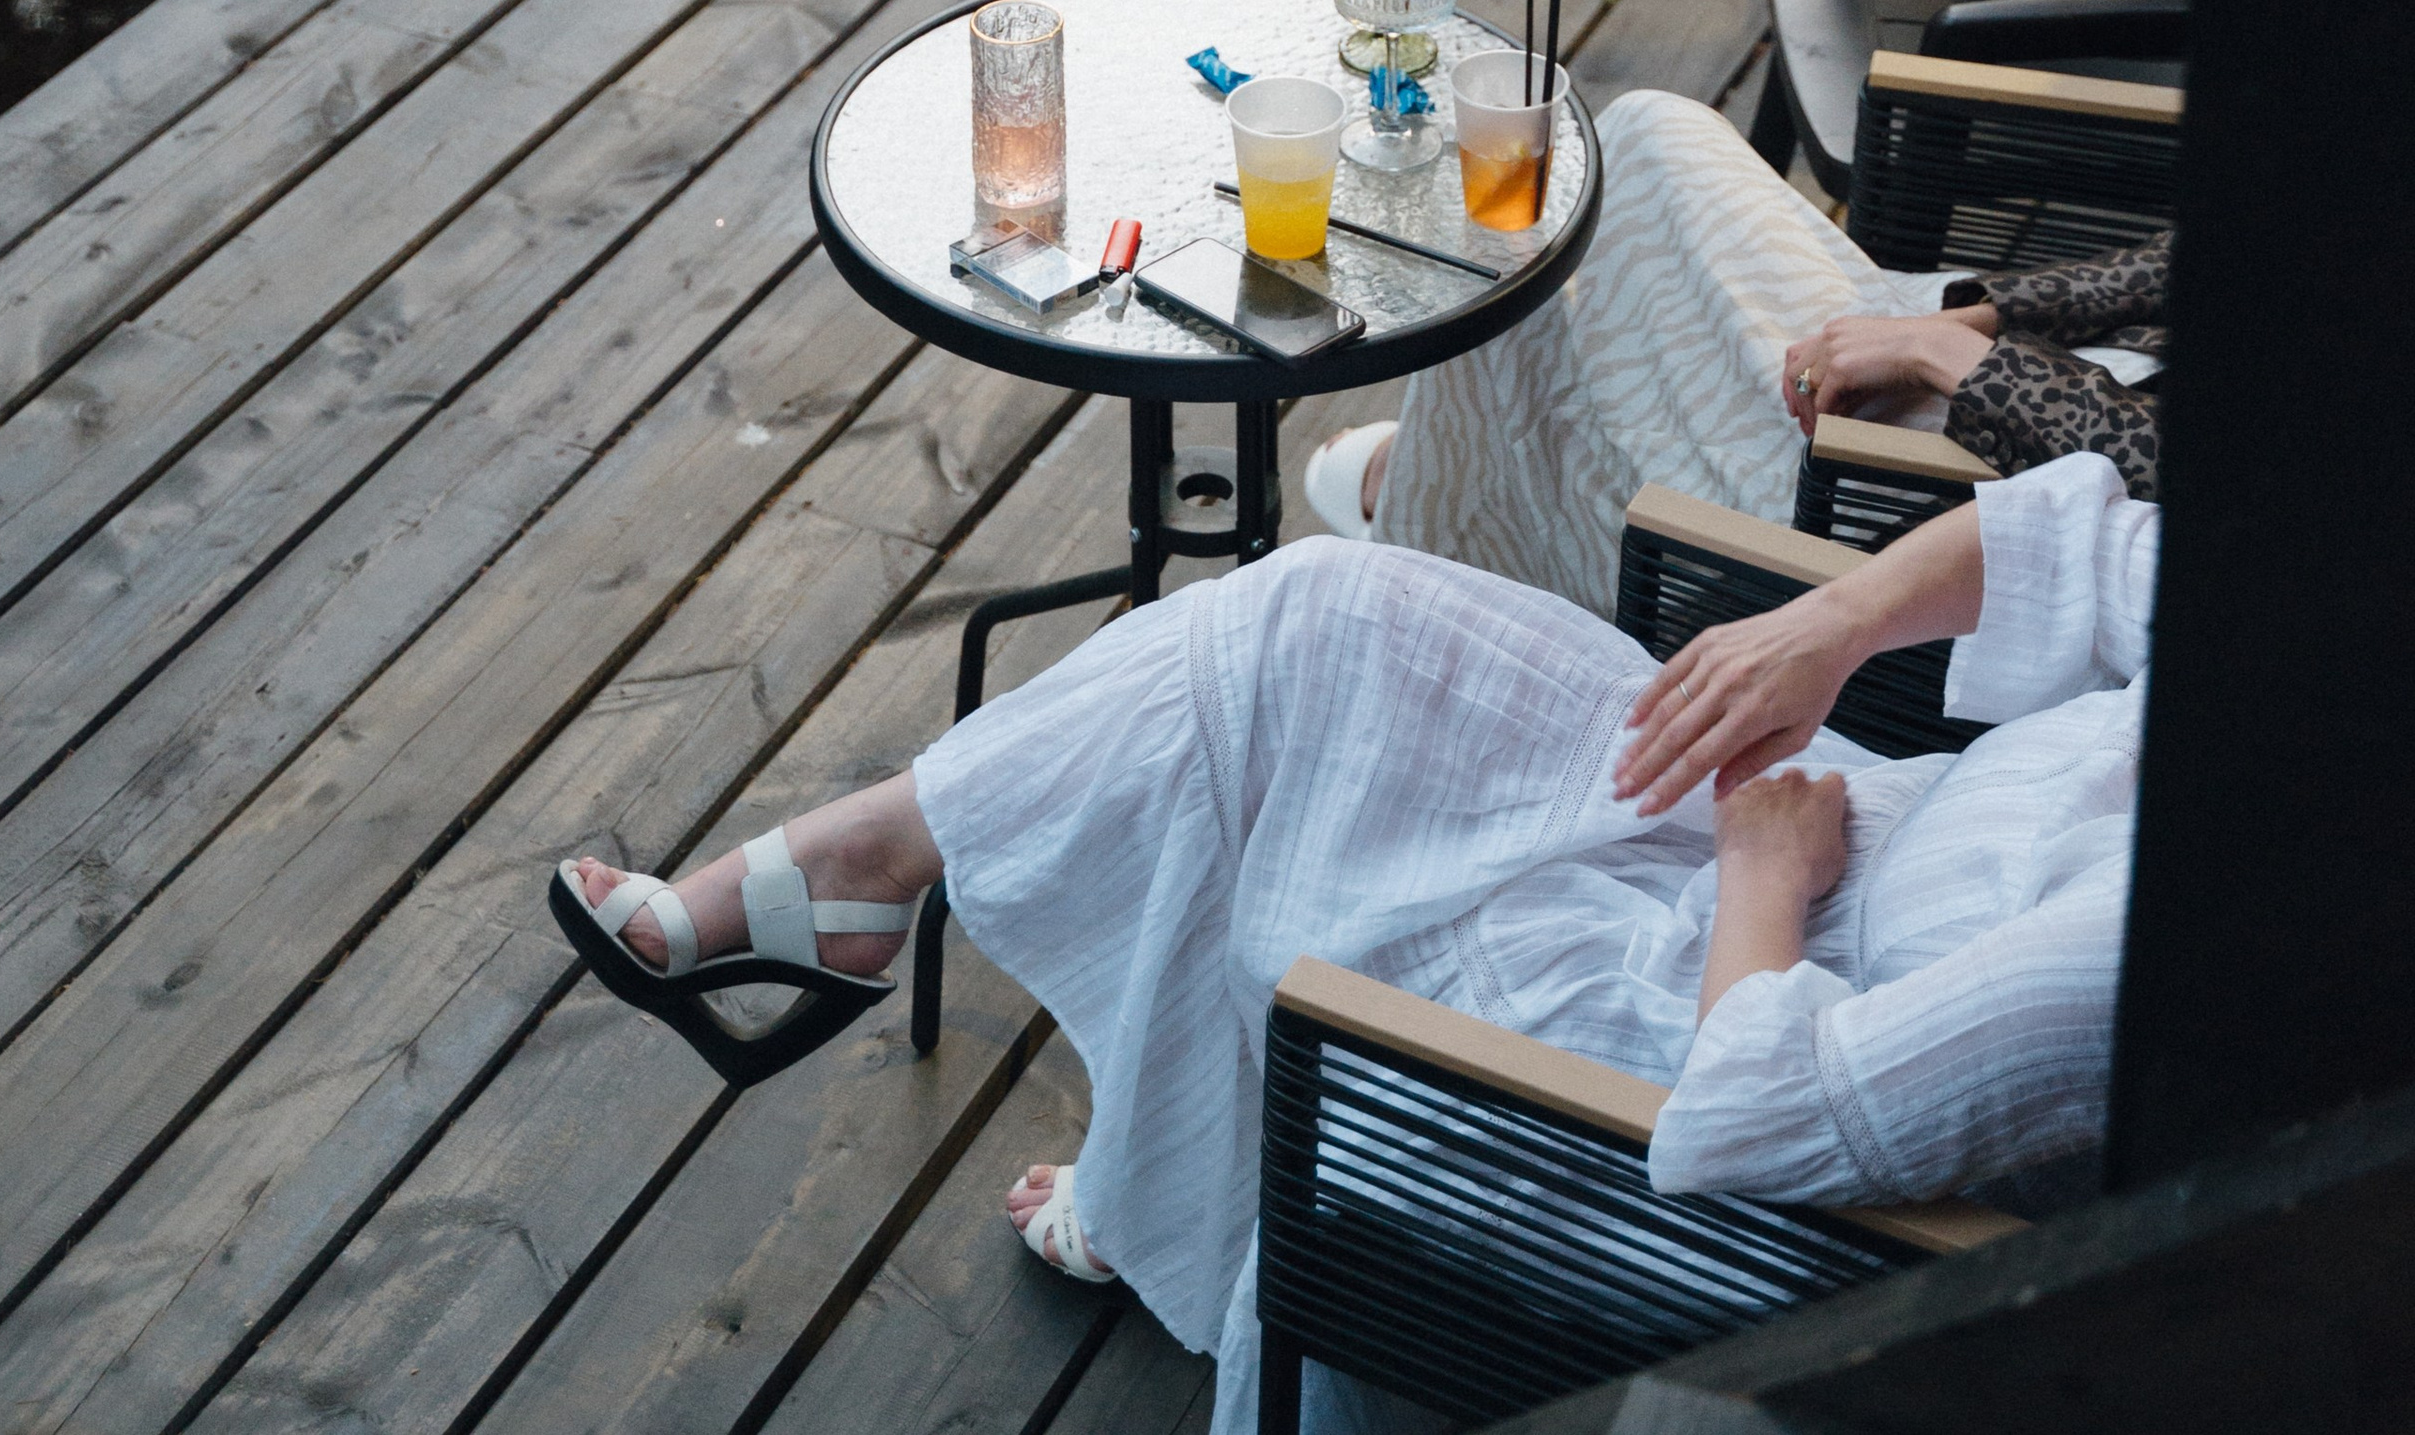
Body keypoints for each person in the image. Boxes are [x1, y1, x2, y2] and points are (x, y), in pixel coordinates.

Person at [554, 451, 2151, 1434]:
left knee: (1304, 841)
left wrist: (1762, 874)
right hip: (1819, 822)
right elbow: (2093, 543)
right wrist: (1838, 618)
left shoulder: (2155, 956)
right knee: (1323, 618)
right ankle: (880, 869)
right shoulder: (2339, 646)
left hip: (1713, 1018)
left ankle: (863, 899)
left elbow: (1759, 1122)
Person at [1305, 84, 2167, 596]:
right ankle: (1451, 479)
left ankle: (1441, 519)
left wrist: (1947, 357)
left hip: (1999, 484)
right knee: (1632, 153)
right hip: (2057, 361)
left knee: (1607, 219)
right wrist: (1971, 316)